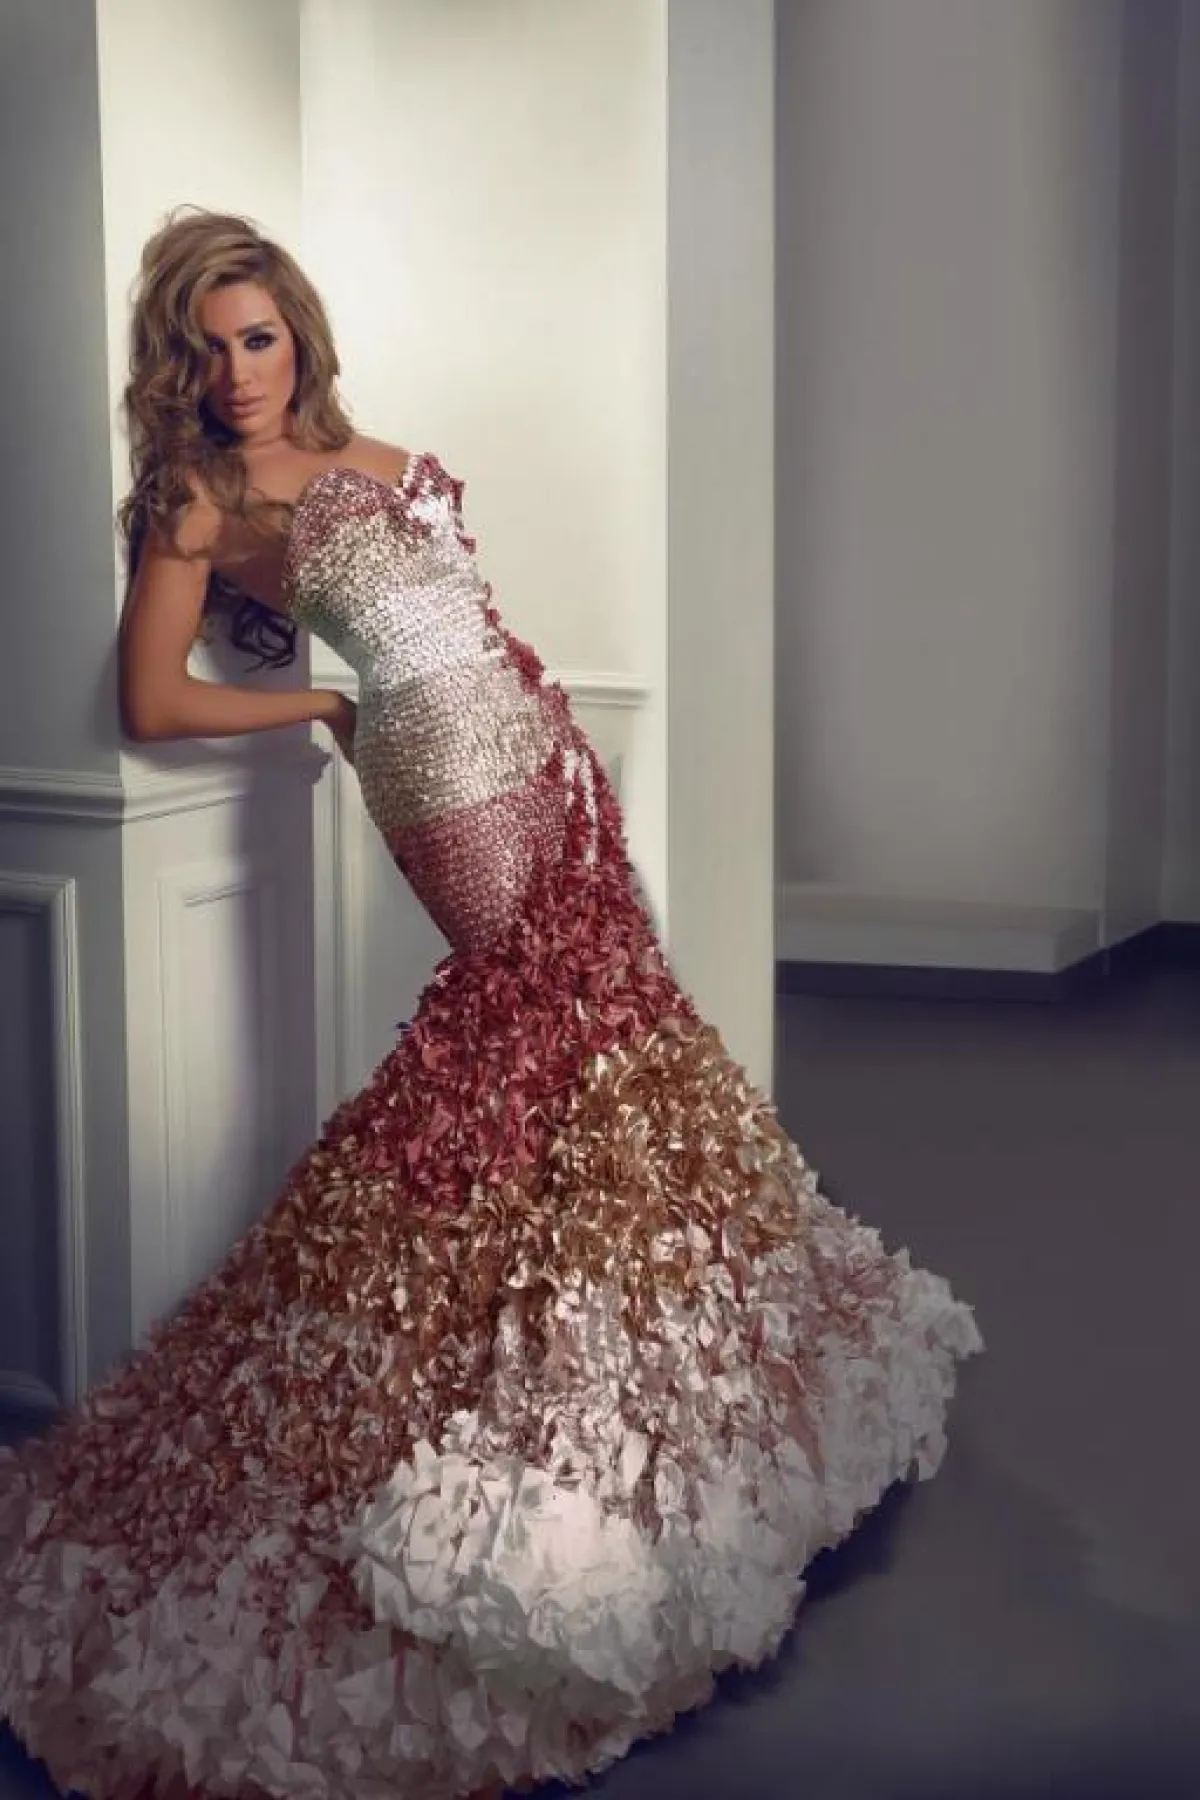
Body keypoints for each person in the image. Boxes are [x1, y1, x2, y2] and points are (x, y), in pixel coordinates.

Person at [0, 207, 982, 1800]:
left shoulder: (369, 452)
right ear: (180, 366)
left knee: (607, 1051)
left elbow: (472, 622)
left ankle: (642, 1363)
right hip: (441, 777)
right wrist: (328, 699)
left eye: (259, 338)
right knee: (522, 1040)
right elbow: (152, 695)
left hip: (540, 749)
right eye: (209, 348)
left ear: (300, 335)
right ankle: (470, 1379)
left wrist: (555, 746)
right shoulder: (198, 497)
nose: (240, 372)